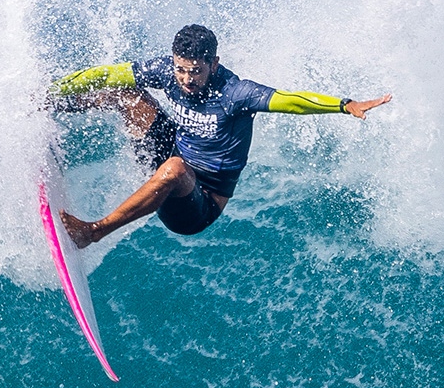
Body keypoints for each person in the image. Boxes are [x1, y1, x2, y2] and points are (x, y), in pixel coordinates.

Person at [50, 24, 391, 248]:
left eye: (195, 71)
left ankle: (92, 233)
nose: (185, 79)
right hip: (172, 156)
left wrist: (344, 105)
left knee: (174, 169)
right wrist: (54, 89)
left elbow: (291, 101)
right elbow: (110, 74)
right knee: (126, 91)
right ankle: (44, 106)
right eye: (180, 68)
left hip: (200, 202)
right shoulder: (168, 71)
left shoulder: (236, 94)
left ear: (214, 63)